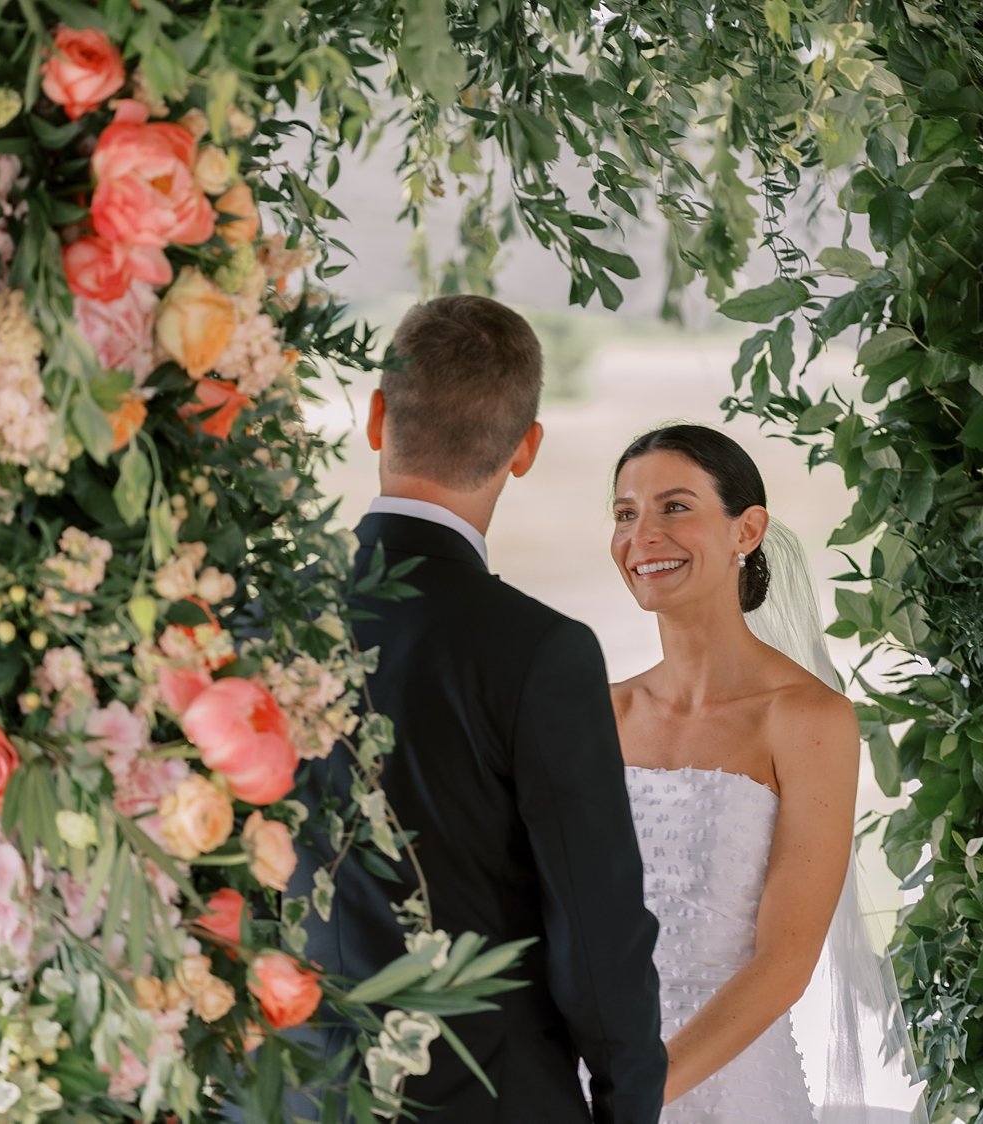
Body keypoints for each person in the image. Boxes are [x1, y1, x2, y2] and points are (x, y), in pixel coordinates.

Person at [294, 295, 667, 1123]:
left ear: (377, 416)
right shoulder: (541, 652)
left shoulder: (260, 617)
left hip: (285, 1093)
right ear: (525, 449)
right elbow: (595, 934)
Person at [608, 423, 881, 1122]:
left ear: (746, 530)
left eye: (675, 507)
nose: (643, 537)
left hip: (727, 1085)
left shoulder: (807, 719)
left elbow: (785, 963)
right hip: (588, 1067)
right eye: (626, 513)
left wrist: (636, 1095)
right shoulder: (598, 712)